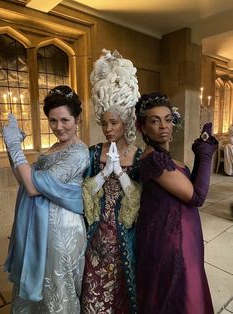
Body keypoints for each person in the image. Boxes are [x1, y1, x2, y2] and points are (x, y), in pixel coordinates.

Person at [1, 85, 90, 313]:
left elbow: (32, 187)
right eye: (52, 121)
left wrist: (14, 146)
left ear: (77, 119)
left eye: (65, 120)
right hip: (39, 227)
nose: (58, 127)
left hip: (61, 230)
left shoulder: (79, 153)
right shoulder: (54, 148)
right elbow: (23, 179)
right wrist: (14, 153)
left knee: (56, 292)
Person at [135, 92, 218, 314]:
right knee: (179, 298)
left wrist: (200, 154)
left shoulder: (163, 156)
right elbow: (197, 197)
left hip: (182, 233)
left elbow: (187, 189)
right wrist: (206, 154)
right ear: (142, 127)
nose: (164, 126)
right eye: (155, 120)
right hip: (172, 242)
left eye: (168, 119)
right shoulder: (154, 159)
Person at [81, 49, 142, 313]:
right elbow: (86, 194)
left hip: (125, 238)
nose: (108, 129)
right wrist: (104, 174)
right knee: (92, 297)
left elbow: (138, 200)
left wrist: (121, 174)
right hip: (96, 238)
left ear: (125, 120)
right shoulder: (95, 152)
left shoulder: (137, 155)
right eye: (104, 123)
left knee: (121, 297)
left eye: (113, 122)